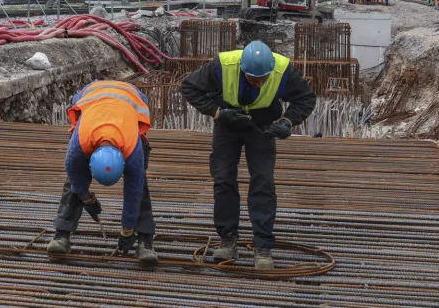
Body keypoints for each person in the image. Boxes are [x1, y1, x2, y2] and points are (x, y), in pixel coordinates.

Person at [181, 41, 317, 269]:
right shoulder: (222, 66)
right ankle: (227, 238)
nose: (259, 82)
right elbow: (189, 87)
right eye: (253, 78)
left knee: (263, 182)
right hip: (228, 123)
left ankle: (262, 245)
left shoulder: (283, 70)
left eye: (263, 78)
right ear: (242, 69)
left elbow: (306, 98)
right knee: (223, 180)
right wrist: (217, 113)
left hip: (263, 127)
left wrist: (286, 121)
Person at [46, 80, 158, 268]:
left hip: (132, 99)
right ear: (90, 158)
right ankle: (61, 235)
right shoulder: (79, 145)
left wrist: (127, 230)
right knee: (74, 178)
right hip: (90, 96)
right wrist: (85, 196)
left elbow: (133, 190)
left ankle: (145, 241)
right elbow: (74, 173)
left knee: (139, 184)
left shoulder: (132, 151)